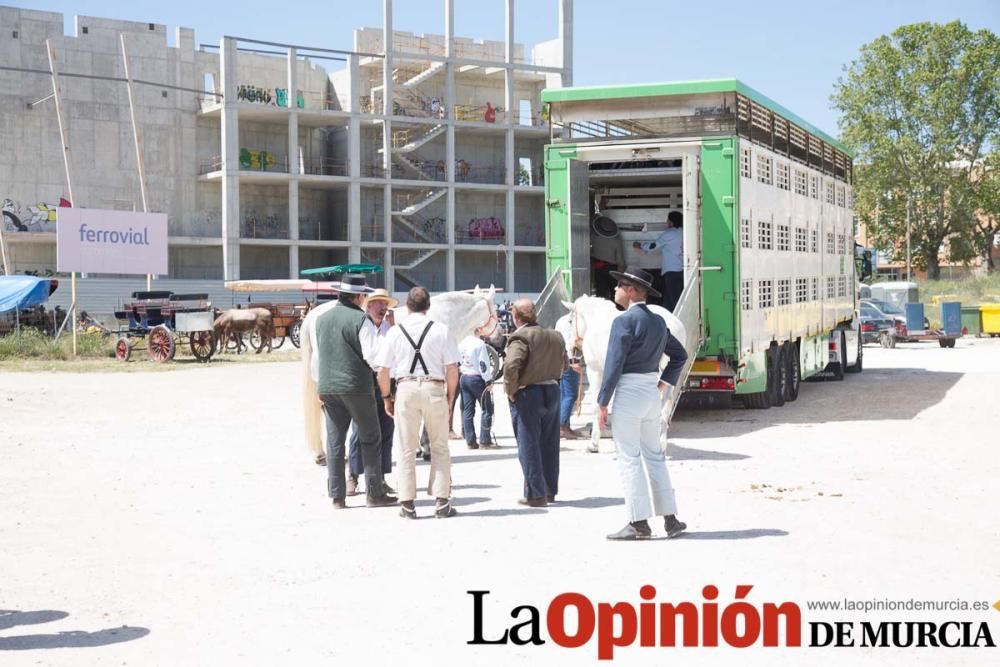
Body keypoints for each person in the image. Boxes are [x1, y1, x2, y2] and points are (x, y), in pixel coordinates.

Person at [597, 266, 688, 541]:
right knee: (655, 456)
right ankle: (671, 520)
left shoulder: (623, 322)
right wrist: (664, 383)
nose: (615, 290)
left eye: (619, 286)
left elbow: (614, 364)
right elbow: (679, 356)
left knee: (629, 458)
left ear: (631, 290)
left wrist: (602, 402)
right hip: (651, 392)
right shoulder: (659, 322)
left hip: (629, 391)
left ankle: (638, 523)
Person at [375, 286, 460, 520]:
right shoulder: (441, 330)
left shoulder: (394, 332)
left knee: (405, 448)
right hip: (434, 386)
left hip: (406, 387)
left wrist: (386, 397)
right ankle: (442, 502)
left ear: (407, 306)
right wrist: (450, 398)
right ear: (428, 306)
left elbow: (382, 371)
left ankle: (407, 504)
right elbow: (452, 369)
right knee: (440, 446)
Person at [315, 274, 397, 510]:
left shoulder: (322, 318)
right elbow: (374, 358)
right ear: (360, 296)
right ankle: (374, 492)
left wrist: (321, 383)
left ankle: (337, 496)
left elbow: (320, 357)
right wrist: (386, 388)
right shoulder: (360, 320)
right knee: (370, 437)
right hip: (357, 387)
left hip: (328, 387)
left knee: (334, 441)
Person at [504, 299, 568, 507]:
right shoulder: (555, 336)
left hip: (528, 393)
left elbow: (511, 365)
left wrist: (511, 390)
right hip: (552, 389)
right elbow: (565, 364)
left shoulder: (520, 336)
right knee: (550, 443)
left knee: (528, 444)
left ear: (516, 317)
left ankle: (535, 494)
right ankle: (549, 490)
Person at [346, 288, 399, 496]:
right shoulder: (361, 326)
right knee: (359, 430)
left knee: (386, 430)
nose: (383, 307)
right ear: (368, 305)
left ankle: (381, 478)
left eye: (385, 304)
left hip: (387, 382)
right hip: (365, 382)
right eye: (378, 303)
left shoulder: (391, 329)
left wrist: (395, 330)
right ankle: (353, 476)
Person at [633, 210, 684, 311]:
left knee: (673, 299)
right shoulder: (684, 232)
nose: (666, 222)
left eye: (668, 220)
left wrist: (640, 245)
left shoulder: (670, 234)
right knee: (674, 297)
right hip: (682, 269)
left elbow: (654, 245)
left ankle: (675, 320)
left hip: (671, 271)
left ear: (671, 222)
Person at [458, 335, 495, 450]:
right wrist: (488, 379)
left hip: (464, 376)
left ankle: (470, 441)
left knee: (468, 409)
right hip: (476, 377)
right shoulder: (479, 344)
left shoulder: (461, 342)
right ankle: (485, 440)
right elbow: (483, 363)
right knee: (487, 408)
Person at [554, 311, 584, 440]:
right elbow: (569, 343)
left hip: (561, 360)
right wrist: (573, 362)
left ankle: (565, 425)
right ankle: (562, 426)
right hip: (569, 361)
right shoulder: (572, 323)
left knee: (564, 395)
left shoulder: (561, 320)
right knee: (571, 395)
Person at [591, 214, 625, 300]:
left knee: (601, 294)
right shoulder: (616, 240)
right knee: (615, 294)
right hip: (612, 269)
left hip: (598, 269)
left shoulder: (593, 237)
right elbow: (620, 259)